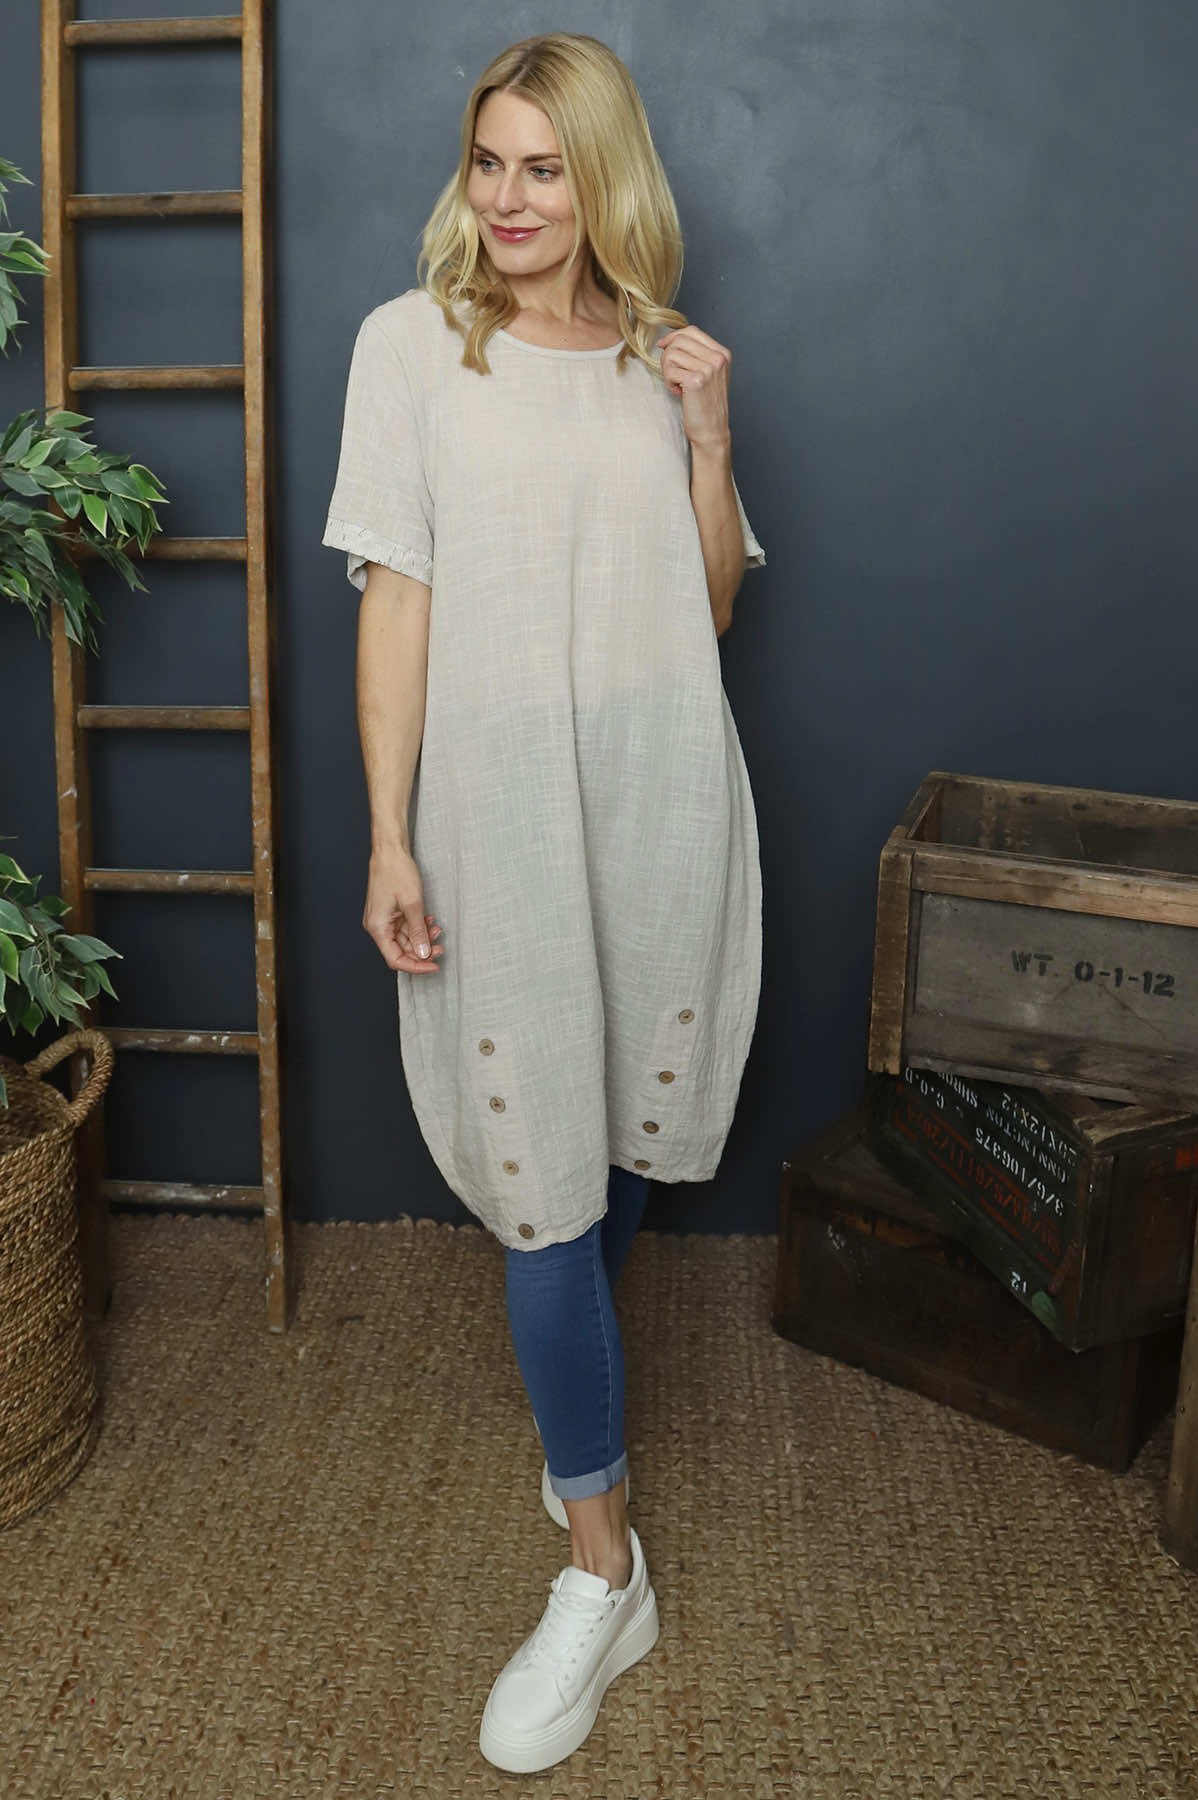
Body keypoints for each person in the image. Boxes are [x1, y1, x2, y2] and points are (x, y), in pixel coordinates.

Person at [321, 32, 766, 1775]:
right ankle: (604, 1567)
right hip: (495, 818)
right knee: (542, 1188)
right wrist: (389, 834)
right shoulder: (411, 345)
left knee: (619, 1148)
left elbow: (712, 605)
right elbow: (398, 599)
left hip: (661, 803)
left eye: (544, 168)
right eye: (488, 162)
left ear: (603, 180)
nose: (508, 200)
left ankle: (577, 1444)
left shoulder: (661, 355)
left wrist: (710, 439)